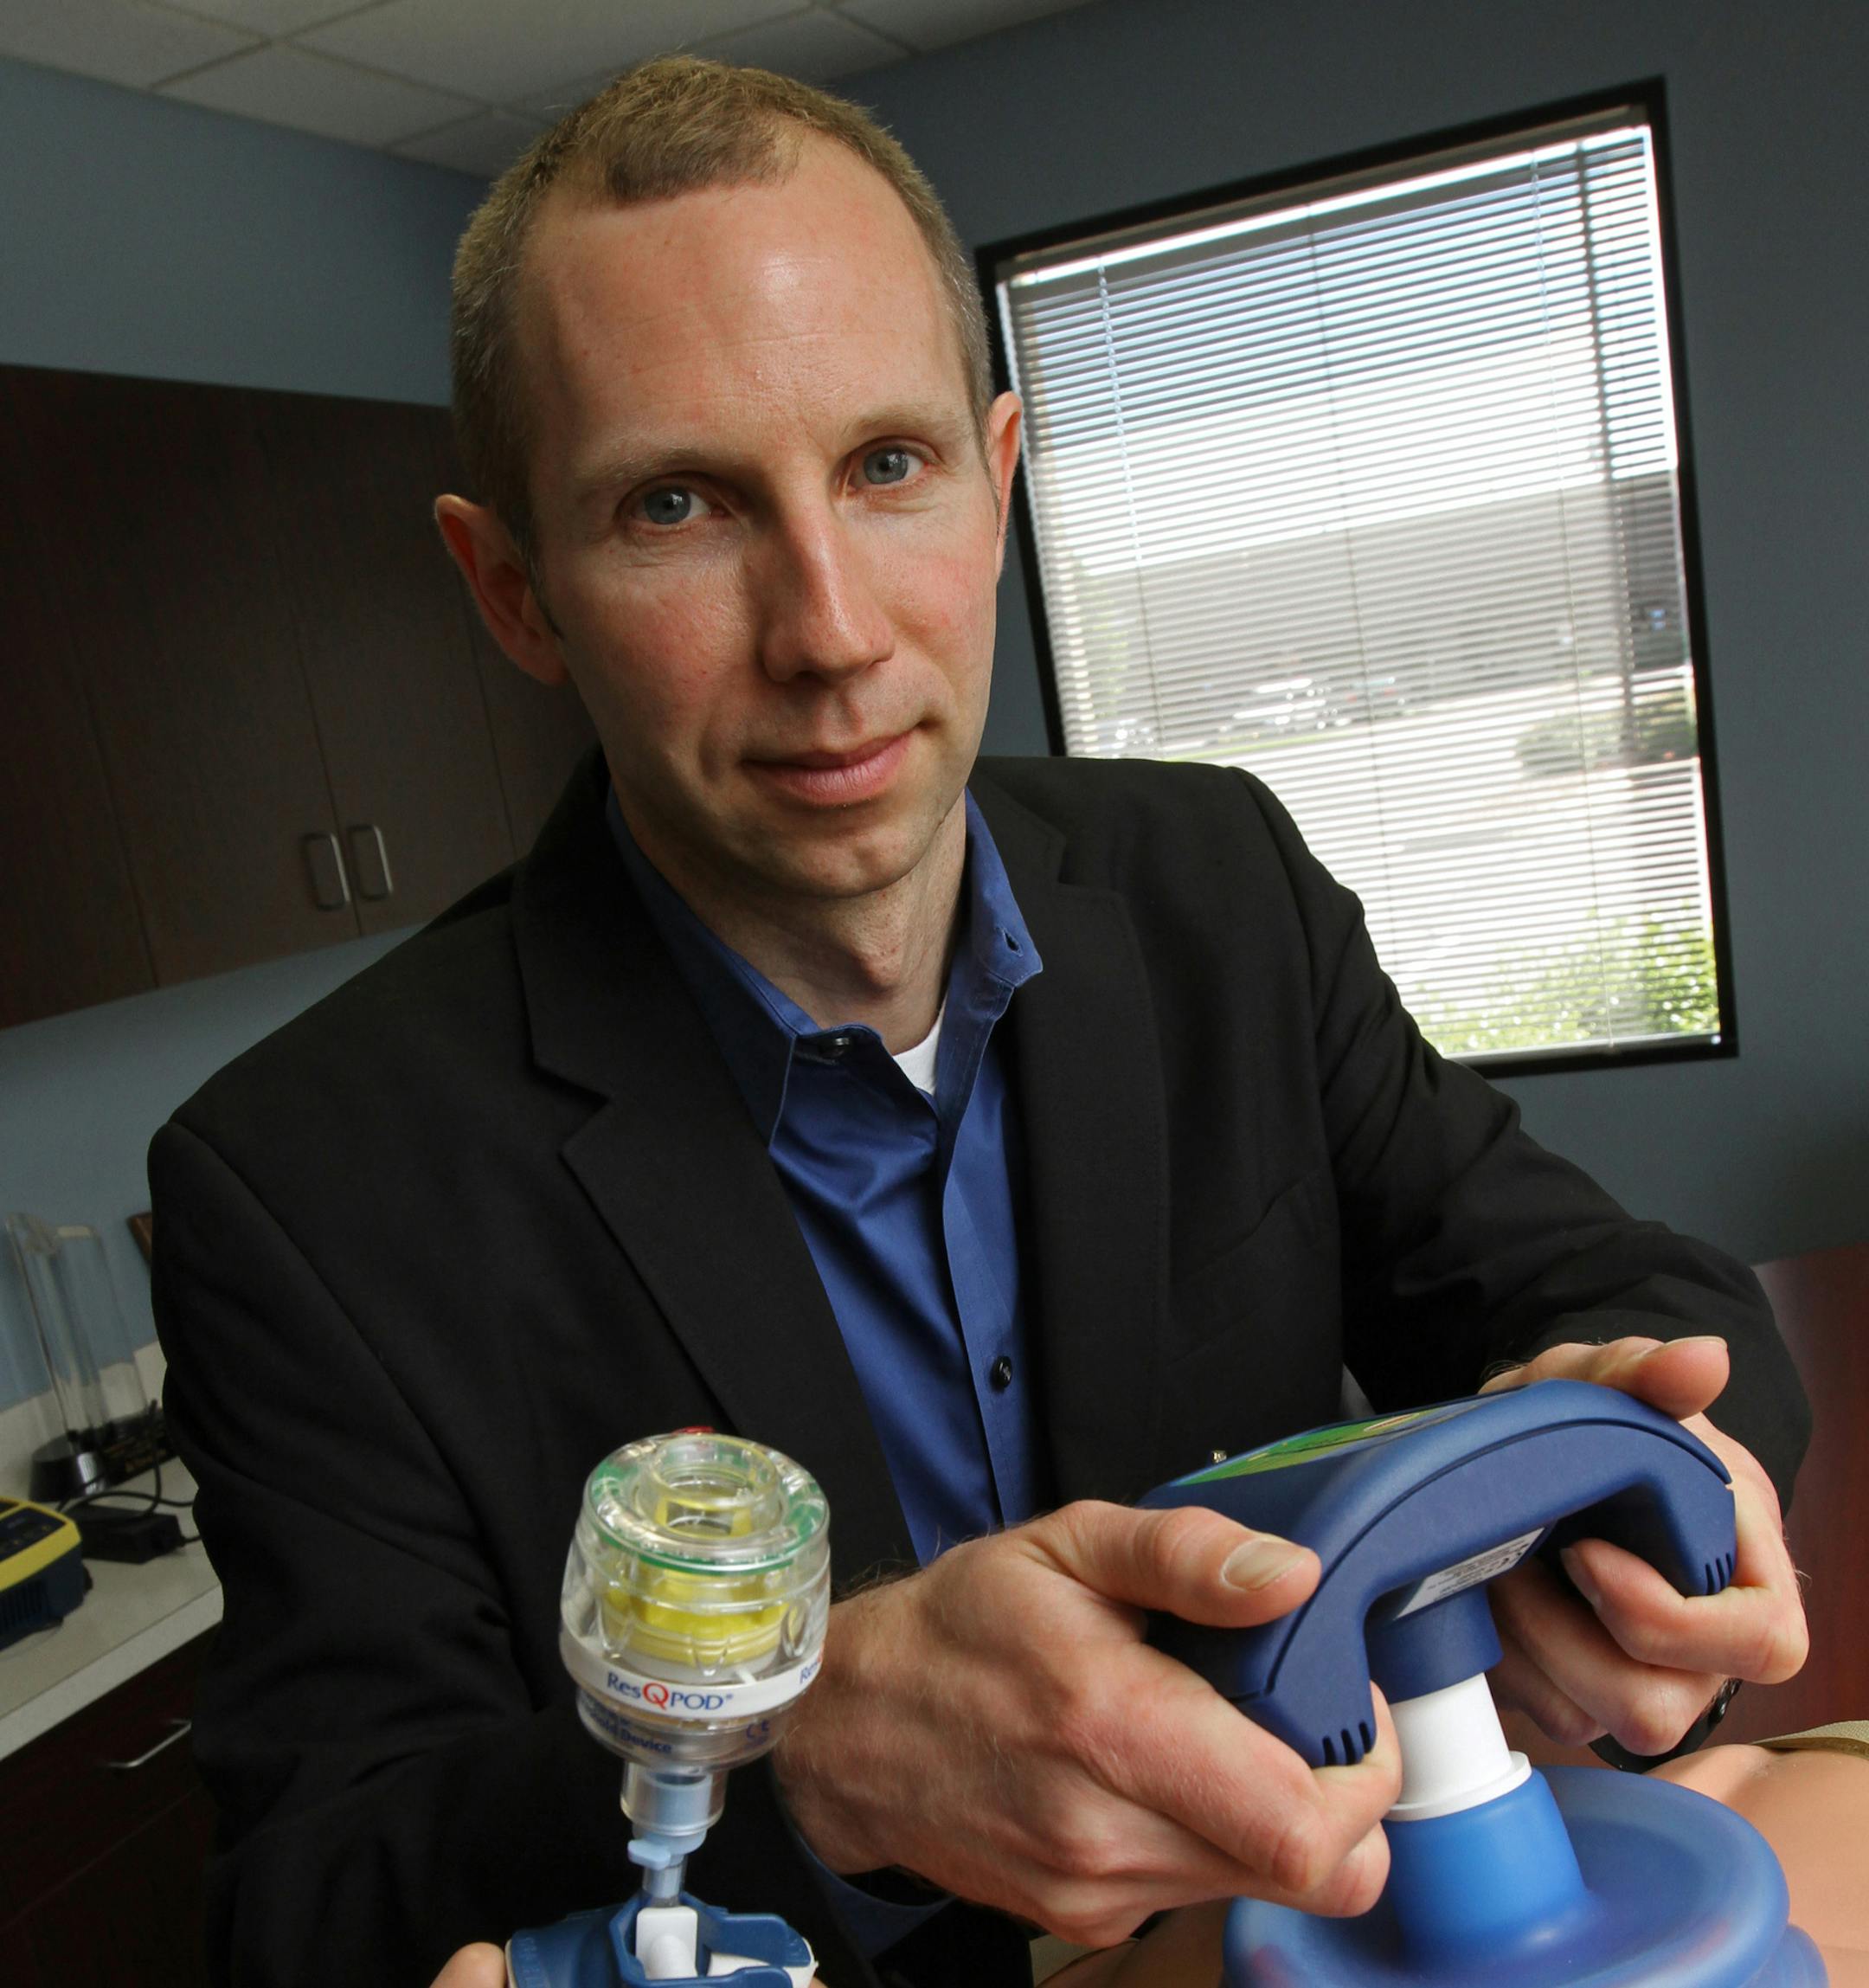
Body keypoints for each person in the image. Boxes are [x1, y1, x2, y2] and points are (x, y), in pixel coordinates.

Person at [148, 56, 1810, 1988]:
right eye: (676, 505)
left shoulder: (1219, 882)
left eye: (887, 467)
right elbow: (315, 1900)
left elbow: (1619, 1298)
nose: (832, 631)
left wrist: (1632, 1519)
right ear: (515, 590)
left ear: (1000, 481)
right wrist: (804, 1757)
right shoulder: (307, 1183)